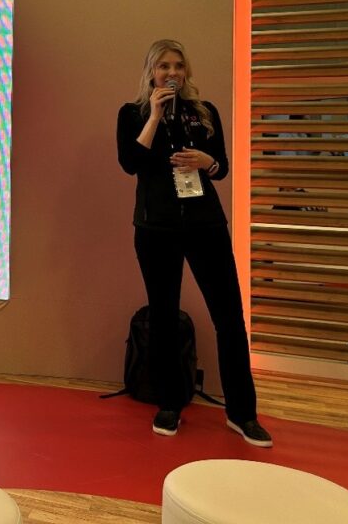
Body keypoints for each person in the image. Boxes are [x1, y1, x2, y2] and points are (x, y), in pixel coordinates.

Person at [116, 39, 273, 447]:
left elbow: (221, 167)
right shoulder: (132, 114)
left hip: (206, 225)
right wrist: (154, 115)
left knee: (229, 317)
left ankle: (242, 413)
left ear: (186, 71)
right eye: (164, 66)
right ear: (151, 72)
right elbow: (130, 163)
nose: (172, 73)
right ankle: (169, 404)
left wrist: (209, 162)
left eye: (178, 66)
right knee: (164, 316)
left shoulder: (205, 112)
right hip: (156, 228)